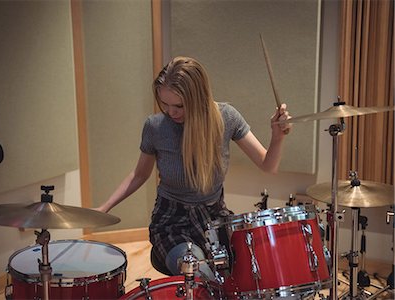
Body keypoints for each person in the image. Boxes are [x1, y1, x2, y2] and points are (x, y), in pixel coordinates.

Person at [95, 56, 292, 280]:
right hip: (171, 221)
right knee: (199, 274)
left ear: (199, 98)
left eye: (179, 105)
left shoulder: (226, 117)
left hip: (215, 217)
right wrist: (103, 208)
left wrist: (277, 136)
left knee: (251, 273)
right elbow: (140, 175)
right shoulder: (155, 127)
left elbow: (268, 165)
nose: (171, 112)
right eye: (164, 104)